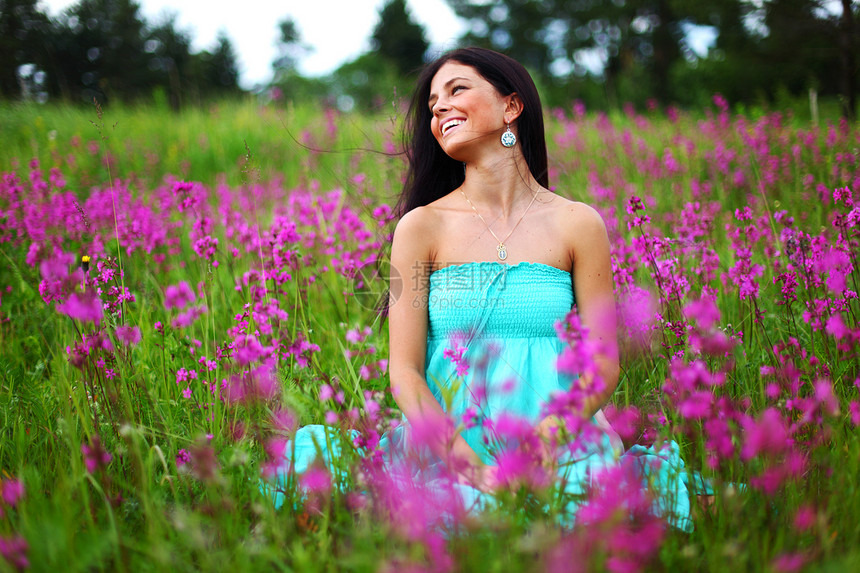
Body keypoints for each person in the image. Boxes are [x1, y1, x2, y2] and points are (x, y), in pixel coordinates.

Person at [267, 47, 697, 530]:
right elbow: (405, 374)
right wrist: (472, 468)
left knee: (577, 518)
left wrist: (536, 452)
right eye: (433, 105)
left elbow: (602, 365)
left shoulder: (579, 224)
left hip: (556, 442)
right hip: (451, 445)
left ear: (511, 106)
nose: (439, 109)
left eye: (457, 90)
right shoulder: (418, 228)